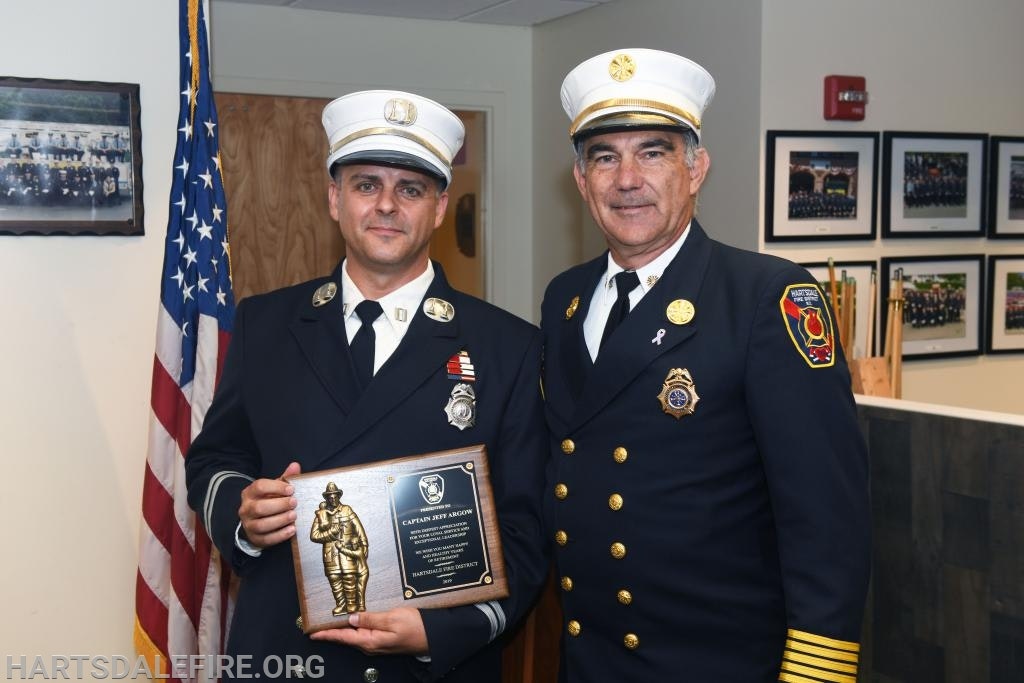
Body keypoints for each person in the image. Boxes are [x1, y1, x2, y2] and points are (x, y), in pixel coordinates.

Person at [186, 89, 548, 682]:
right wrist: (242, 513)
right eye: (365, 185)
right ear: (334, 199)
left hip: (431, 666)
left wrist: (440, 631)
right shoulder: (267, 324)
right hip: (285, 652)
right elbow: (215, 459)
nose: (386, 205)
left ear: (438, 207)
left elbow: (526, 528)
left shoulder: (507, 347)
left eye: (410, 189)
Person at [540, 48, 871, 681]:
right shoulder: (565, 299)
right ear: (581, 182)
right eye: (605, 157)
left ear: (697, 169)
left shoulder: (765, 297)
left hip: (717, 661)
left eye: (654, 152)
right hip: (591, 659)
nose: (627, 179)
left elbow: (826, 516)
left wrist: (817, 669)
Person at [311, 482, 369, 617]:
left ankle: (351, 604)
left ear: (338, 496)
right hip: (330, 553)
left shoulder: (347, 510)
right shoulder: (321, 514)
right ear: (326, 498)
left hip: (347, 551)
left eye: (334, 496)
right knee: (334, 578)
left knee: (349, 577)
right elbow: (314, 536)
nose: (332, 499)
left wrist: (364, 543)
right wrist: (331, 533)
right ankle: (341, 604)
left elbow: (358, 528)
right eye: (329, 497)